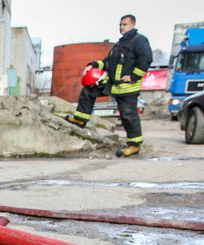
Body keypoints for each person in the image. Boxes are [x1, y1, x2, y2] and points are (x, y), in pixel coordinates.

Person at [64, 14, 152, 158]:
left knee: (128, 116)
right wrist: (92, 65)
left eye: (124, 24)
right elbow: (107, 62)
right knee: (89, 89)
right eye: (120, 25)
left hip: (127, 87)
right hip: (113, 83)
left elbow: (146, 59)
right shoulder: (120, 44)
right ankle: (80, 119)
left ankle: (134, 145)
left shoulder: (139, 40)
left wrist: (134, 76)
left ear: (132, 25)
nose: (121, 27)